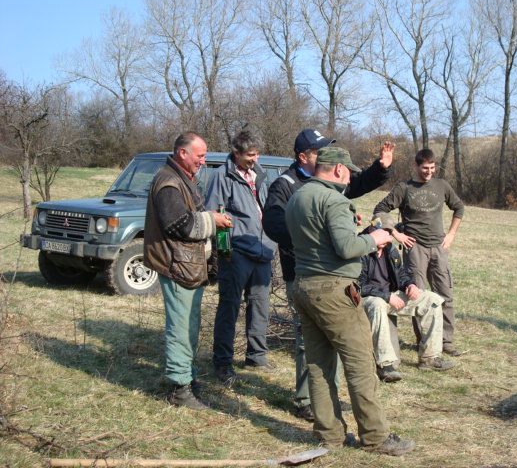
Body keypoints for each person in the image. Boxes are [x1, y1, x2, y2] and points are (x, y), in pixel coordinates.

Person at [285, 146, 415, 456]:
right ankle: (375, 437)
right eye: (350, 172)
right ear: (340, 170)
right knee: (360, 363)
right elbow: (345, 248)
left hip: (303, 286)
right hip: (334, 290)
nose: (351, 178)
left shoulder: (297, 196)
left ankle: (329, 435)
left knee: (318, 365)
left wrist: (348, 225)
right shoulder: (334, 199)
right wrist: (377, 238)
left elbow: (319, 239)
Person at [263, 128, 394, 421]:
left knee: (326, 344)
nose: (322, 154)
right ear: (302, 157)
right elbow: (273, 225)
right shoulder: (285, 185)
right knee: (309, 344)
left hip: (332, 275)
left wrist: (380, 168)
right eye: (317, 151)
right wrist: (318, 237)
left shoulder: (325, 185)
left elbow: (354, 182)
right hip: (302, 271)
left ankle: (327, 409)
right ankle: (306, 400)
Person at [144, 132, 231, 410]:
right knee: (181, 329)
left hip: (187, 265)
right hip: (176, 265)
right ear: (183, 153)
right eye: (200, 156)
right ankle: (180, 390)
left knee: (189, 326)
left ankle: (187, 379)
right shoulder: (169, 182)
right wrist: (212, 220)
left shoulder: (181, 178)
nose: (203, 162)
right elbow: (178, 224)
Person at [374, 148, 465, 357]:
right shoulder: (404, 188)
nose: (429, 172)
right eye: (425, 168)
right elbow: (380, 209)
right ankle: (424, 342)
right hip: (414, 249)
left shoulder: (442, 186)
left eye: (432, 168)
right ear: (415, 166)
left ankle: (446, 342)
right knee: (419, 295)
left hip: (439, 247)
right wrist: (396, 234)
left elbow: (459, 208)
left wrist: (451, 234)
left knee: (445, 294)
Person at [206, 128, 277, 384]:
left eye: (257, 154)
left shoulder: (259, 174)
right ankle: (223, 362)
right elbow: (213, 215)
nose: (255, 159)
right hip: (236, 251)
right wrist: (224, 251)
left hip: (263, 249)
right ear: (236, 153)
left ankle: (256, 355)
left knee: (260, 304)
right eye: (250, 155)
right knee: (230, 305)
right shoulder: (221, 176)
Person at [358, 213, 455, 383]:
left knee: (432, 299)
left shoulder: (390, 248)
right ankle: (385, 365)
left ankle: (430, 358)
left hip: (391, 296)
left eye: (389, 233)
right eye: (381, 232)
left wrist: (409, 285)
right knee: (378, 304)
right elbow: (357, 286)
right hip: (369, 299)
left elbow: (401, 273)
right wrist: (386, 296)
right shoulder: (360, 248)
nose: (386, 237)